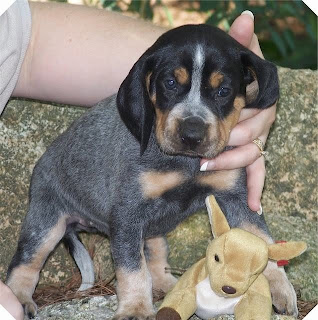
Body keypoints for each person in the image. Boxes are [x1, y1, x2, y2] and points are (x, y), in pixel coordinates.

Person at [0, 1, 276, 319]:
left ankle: (158, 272)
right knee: (128, 209)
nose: (192, 123)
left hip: (141, 212)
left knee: (152, 214)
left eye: (222, 90)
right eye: (171, 84)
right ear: (145, 89)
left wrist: (248, 74)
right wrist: (134, 301)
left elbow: (30, 42)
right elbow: (129, 214)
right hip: (66, 190)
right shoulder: (145, 151)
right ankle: (22, 278)